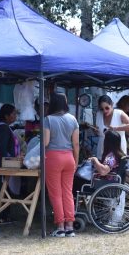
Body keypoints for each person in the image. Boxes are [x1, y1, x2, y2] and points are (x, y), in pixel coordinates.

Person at [43, 93, 79, 237]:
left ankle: (60, 226)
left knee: (55, 193)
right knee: (68, 192)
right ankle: (70, 226)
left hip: (53, 157)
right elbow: (76, 144)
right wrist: (76, 160)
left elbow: (46, 142)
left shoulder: (48, 119)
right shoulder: (73, 119)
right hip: (69, 157)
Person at [0, 104, 20, 224]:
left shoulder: (4, 127)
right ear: (6, 116)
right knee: (2, 189)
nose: (15, 116)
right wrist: (10, 159)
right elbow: (2, 148)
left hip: (4, 162)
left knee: (5, 188)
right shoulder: (3, 128)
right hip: (2, 163)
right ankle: (1, 216)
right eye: (13, 113)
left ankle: (5, 215)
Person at [95, 95, 129, 159]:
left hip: (117, 152)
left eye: (107, 108)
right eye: (102, 109)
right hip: (102, 151)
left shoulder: (119, 113)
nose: (104, 111)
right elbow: (98, 131)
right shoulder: (99, 114)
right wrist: (96, 131)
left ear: (112, 105)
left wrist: (115, 128)